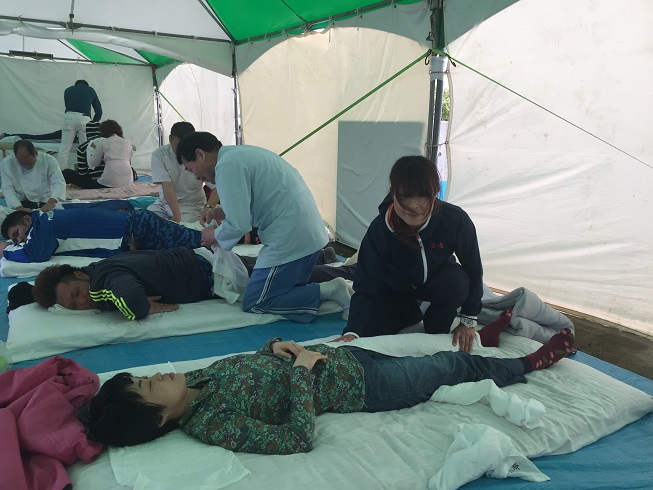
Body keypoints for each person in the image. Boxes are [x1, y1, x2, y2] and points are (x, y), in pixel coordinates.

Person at [79, 328, 576, 453]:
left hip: (342, 359)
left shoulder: (197, 379)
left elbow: (251, 365)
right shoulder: (212, 424)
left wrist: (274, 346)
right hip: (363, 387)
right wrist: (301, 371)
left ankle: (487, 341)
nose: (156, 376)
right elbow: (297, 438)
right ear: (157, 418)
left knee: (434, 360)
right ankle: (529, 362)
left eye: (144, 376)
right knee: (449, 365)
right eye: (147, 387)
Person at [177, 131, 351, 322]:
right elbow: (256, 199)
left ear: (200, 154)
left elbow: (239, 224)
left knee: (256, 301)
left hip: (290, 236)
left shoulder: (227, 165)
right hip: (304, 231)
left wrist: (213, 236)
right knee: (282, 290)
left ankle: (331, 289)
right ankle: (321, 292)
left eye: (191, 169)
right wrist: (220, 212)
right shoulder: (237, 156)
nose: (196, 177)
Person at [337, 156, 484, 353]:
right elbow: (365, 283)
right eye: (405, 196)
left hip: (436, 282)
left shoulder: (455, 220)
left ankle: (435, 321)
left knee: (456, 282)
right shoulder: (380, 229)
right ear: (393, 193)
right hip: (396, 288)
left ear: (434, 192)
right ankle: (408, 313)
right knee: (369, 338)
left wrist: (468, 319)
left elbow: (473, 270)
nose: (414, 205)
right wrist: (353, 331)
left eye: (423, 195)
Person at [32, 247, 214, 320]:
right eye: (73, 306)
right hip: (196, 263)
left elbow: (131, 298)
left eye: (76, 293)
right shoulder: (97, 269)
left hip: (205, 272)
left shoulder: (102, 280)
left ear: (80, 275)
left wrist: (144, 307)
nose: (82, 302)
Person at [0, 208, 201, 263]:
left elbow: (35, 253)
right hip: (136, 231)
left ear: (27, 219)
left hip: (139, 229)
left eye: (17, 234)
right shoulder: (46, 220)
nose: (20, 240)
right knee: (189, 248)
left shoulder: (44, 225)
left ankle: (219, 238)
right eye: (15, 240)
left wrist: (6, 250)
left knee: (199, 241)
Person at [147, 122, 208, 223]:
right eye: (178, 144)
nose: (182, 149)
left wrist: (209, 207)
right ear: (170, 139)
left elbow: (217, 186)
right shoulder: (160, 154)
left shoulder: (200, 155)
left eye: (187, 145)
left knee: (181, 227)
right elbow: (167, 186)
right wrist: (176, 213)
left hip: (191, 205)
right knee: (146, 220)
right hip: (164, 204)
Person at [0, 140, 66, 211]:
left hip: (45, 198)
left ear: (35, 153)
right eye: (22, 164)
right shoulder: (7, 163)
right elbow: (7, 188)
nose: (26, 166)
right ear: (16, 157)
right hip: (21, 200)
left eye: (29, 163)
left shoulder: (49, 160)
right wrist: (18, 207)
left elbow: (59, 182)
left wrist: (51, 201)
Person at [58, 80, 102, 169]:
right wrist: (93, 123)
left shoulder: (68, 90)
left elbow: (67, 105)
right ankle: (86, 171)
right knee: (86, 147)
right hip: (84, 119)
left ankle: (62, 173)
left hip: (69, 117)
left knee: (64, 148)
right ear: (86, 85)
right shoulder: (90, 90)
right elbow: (99, 110)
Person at [88, 120, 134, 187]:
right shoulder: (127, 142)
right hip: (128, 178)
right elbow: (130, 162)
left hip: (111, 176)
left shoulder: (102, 143)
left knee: (91, 185)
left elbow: (94, 163)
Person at [61, 121, 105, 189]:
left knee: (66, 173)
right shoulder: (109, 144)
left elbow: (83, 173)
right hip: (111, 180)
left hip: (94, 183)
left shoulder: (83, 147)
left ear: (87, 133)